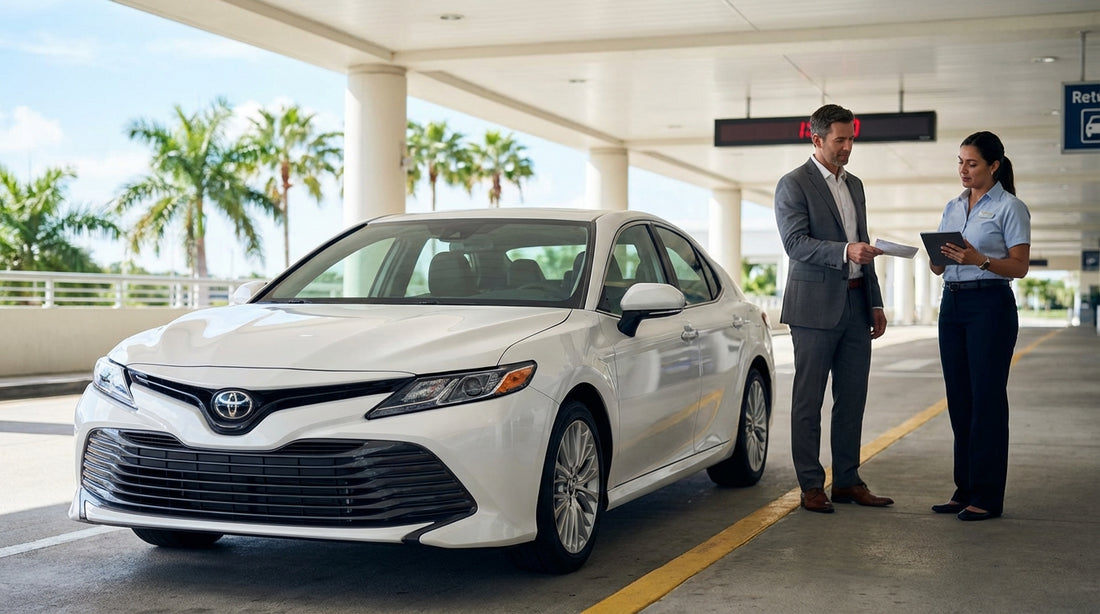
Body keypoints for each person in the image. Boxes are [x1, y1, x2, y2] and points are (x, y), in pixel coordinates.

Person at [774, 104, 892, 514]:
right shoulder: (793, 184)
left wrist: (874, 300)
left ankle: (847, 481)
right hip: (813, 310)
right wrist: (844, 251)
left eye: (851, 139)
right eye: (840, 140)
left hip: (857, 304)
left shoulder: (855, 185)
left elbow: (862, 242)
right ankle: (811, 485)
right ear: (817, 139)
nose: (847, 147)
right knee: (808, 401)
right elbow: (795, 244)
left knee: (852, 398)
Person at [929, 131, 1030, 521]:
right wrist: (937, 259)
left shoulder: (1010, 207)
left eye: (972, 163)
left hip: (989, 305)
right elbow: (941, 264)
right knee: (960, 399)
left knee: (986, 399)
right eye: (960, 162)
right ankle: (965, 487)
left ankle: (987, 495)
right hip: (951, 302)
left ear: (994, 166)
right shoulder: (952, 207)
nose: (963, 170)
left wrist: (979, 260)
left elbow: (1019, 267)